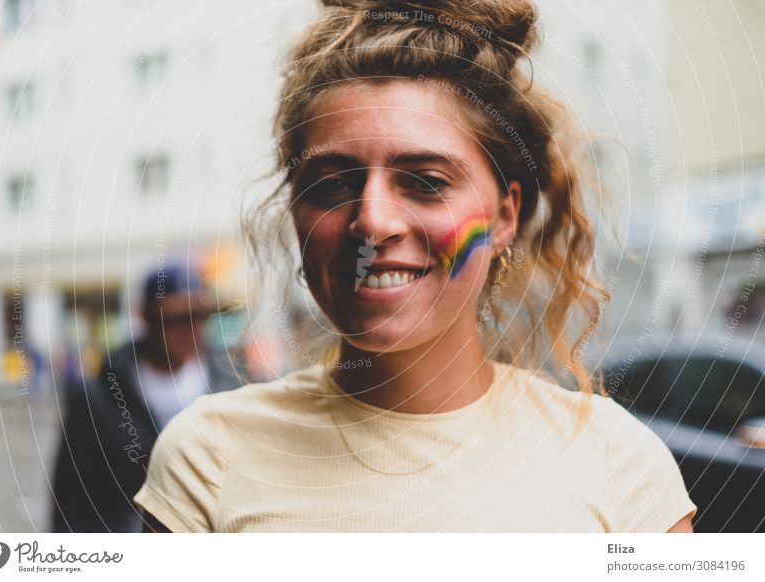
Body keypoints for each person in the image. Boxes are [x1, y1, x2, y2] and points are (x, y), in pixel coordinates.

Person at [134, 0, 697, 533]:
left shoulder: (620, 469)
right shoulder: (206, 462)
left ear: (506, 215)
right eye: (332, 184)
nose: (373, 222)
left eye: (426, 182)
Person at [51, 264, 242, 532]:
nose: (188, 329)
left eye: (197, 316)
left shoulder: (233, 384)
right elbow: (71, 498)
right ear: (146, 318)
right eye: (174, 319)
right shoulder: (97, 397)